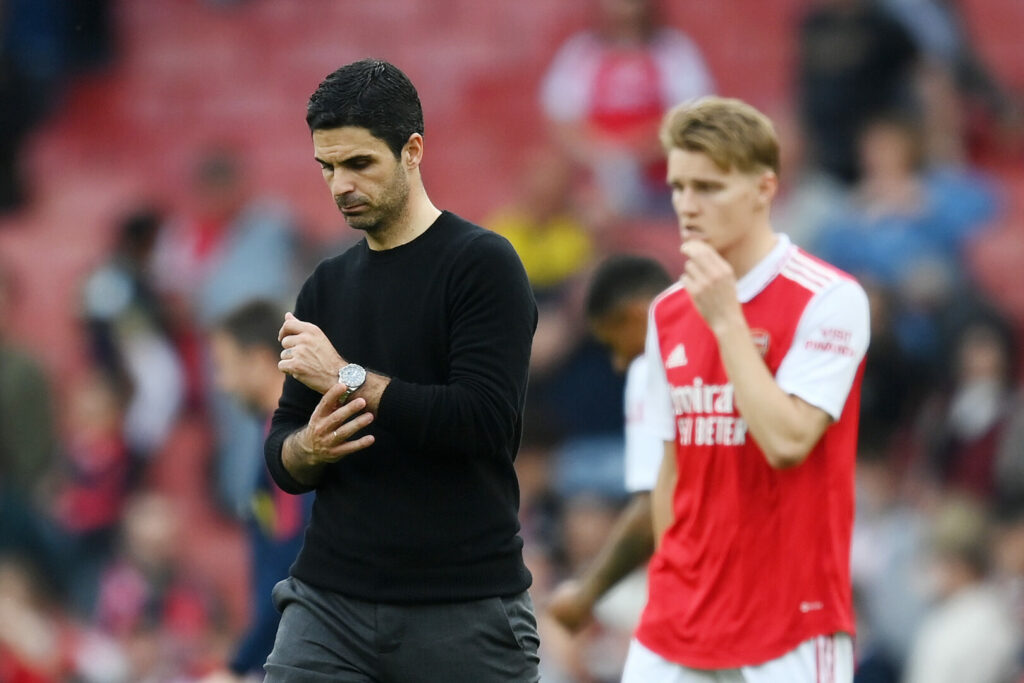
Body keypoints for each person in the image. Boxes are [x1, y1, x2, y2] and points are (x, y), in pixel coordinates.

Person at [263, 59, 540, 681]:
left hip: (463, 604)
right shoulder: (325, 287)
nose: (339, 185)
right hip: (328, 604)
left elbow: (483, 422)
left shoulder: (483, 265)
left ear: (412, 150)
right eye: (327, 167)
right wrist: (310, 446)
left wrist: (348, 378)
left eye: (359, 164)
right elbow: (282, 452)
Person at [622, 96, 871, 682]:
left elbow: (787, 440)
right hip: (678, 620)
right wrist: (672, 582)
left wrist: (729, 321)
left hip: (790, 622)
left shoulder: (830, 300)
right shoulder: (667, 313)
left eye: (708, 188)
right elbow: (671, 469)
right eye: (678, 187)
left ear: (764, 188)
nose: (686, 205)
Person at [547, 254, 671, 635]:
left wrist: (586, 593)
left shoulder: (650, 369)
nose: (617, 363)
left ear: (635, 315)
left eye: (612, 343)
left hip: (702, 594)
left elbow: (651, 508)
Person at [203, 299, 312, 681]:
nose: (221, 383)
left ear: (259, 360)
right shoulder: (278, 434)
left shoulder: (291, 444)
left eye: (224, 366)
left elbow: (296, 565)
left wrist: (239, 665)